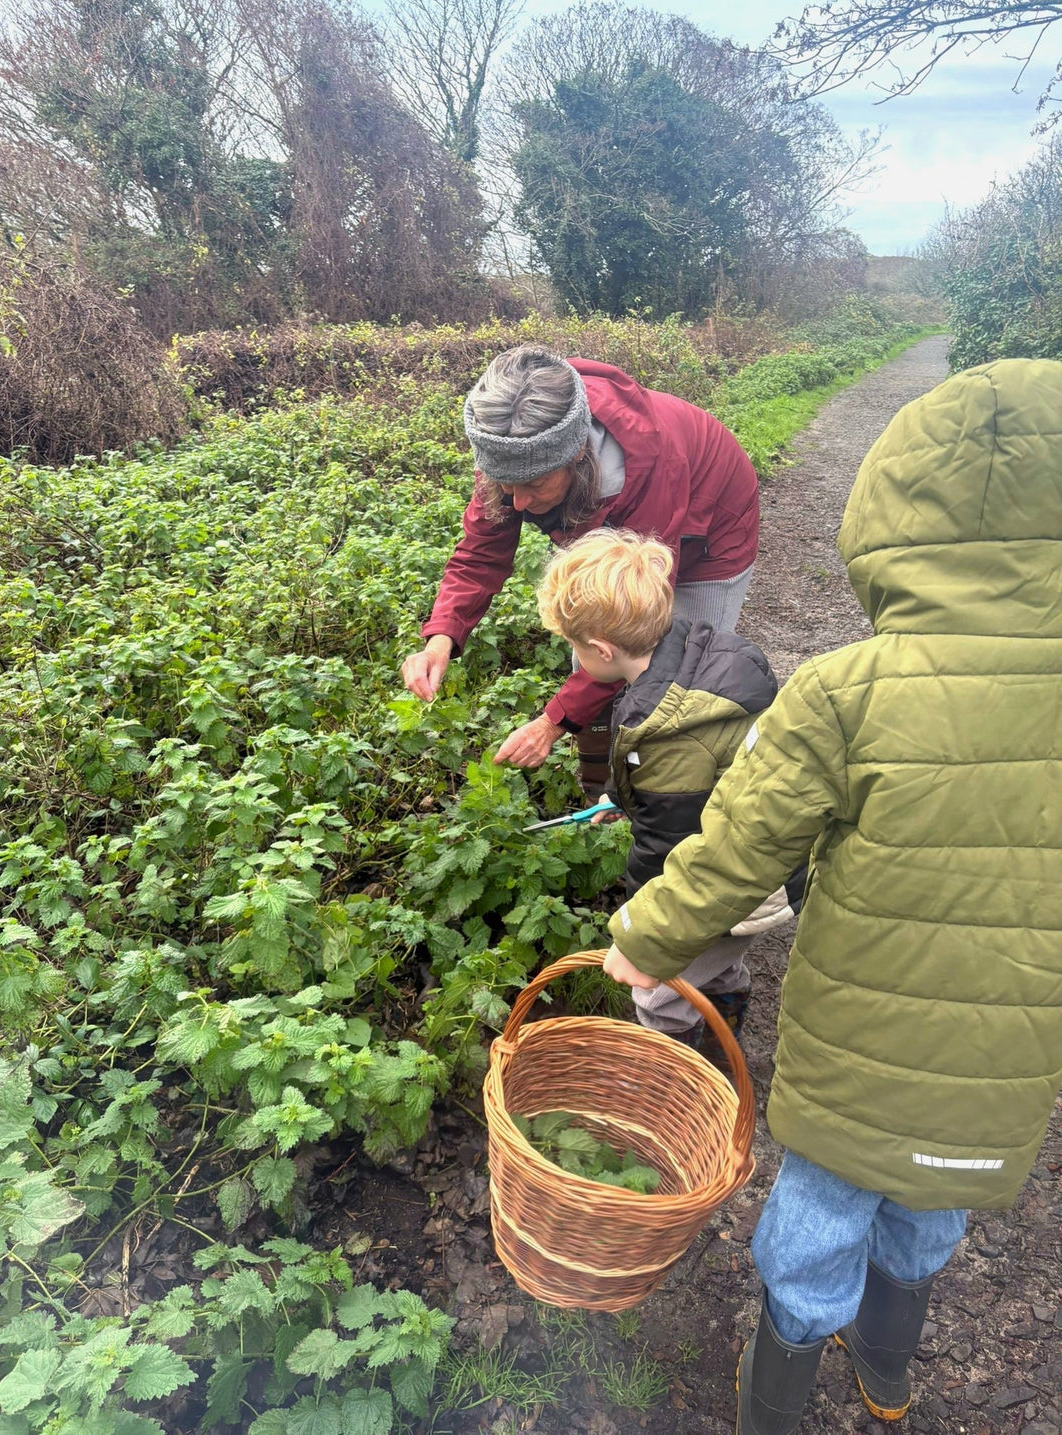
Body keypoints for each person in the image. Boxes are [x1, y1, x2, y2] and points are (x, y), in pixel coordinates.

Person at [601, 358, 1062, 1433]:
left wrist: (646, 935)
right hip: (1006, 1047)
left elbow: (736, 847)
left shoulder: (843, 692)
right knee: (928, 1208)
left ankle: (780, 1394)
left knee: (816, 1216)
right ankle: (887, 1367)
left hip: (858, 1041)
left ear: (887, 521)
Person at [400, 344, 759, 800]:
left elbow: (630, 625)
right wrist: (441, 640)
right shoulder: (513, 450)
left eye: (533, 486)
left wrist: (551, 723)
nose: (517, 503)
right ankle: (601, 795)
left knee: (677, 662)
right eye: (504, 484)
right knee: (592, 647)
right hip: (627, 508)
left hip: (712, 527)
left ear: (577, 459)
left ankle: (670, 794)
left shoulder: (646, 468)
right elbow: (480, 553)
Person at [535, 528, 796, 1059]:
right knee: (719, 959)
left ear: (602, 650)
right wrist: (622, 797)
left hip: (729, 887)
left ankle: (678, 1078)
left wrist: (645, 929)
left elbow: (666, 847)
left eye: (574, 647)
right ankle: (723, 1036)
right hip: (762, 867)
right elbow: (674, 777)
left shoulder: (666, 731)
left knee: (657, 991)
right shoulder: (696, 657)